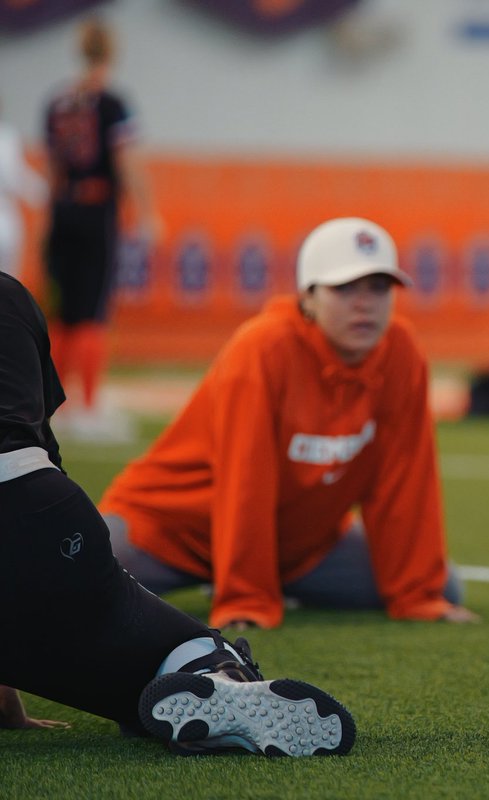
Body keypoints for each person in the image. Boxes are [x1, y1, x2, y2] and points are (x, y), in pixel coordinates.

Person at [0, 271, 354, 756]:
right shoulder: (7, 296)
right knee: (182, 653)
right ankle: (213, 674)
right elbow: (32, 443)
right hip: (28, 505)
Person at [98, 217, 477, 631]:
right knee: (56, 579)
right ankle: (236, 578)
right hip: (172, 530)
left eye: (379, 288)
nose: (365, 303)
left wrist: (417, 593)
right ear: (308, 297)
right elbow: (245, 479)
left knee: (445, 585)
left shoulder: (401, 352)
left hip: (294, 550)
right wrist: (246, 596)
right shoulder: (263, 347)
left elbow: (406, 479)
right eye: (344, 288)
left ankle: (263, 577)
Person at [42, 17, 160, 440]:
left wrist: (54, 213)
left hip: (62, 208)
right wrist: (147, 213)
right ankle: (88, 405)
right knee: (92, 308)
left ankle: (52, 402)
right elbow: (127, 164)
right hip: (95, 211)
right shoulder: (111, 103)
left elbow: (54, 167)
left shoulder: (58, 103)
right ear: (110, 53)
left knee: (62, 312)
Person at [0, 98, 48, 278]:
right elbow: (13, 176)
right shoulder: (5, 136)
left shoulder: (7, 136)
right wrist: (42, 193)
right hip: (4, 216)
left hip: (6, 212)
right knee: (7, 284)